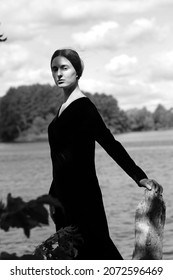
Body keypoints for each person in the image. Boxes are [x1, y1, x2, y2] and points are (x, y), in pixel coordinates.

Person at [48, 48, 159, 260]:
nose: (59, 74)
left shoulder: (84, 107)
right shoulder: (62, 109)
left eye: (64, 68)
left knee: (97, 250)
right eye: (54, 69)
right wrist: (52, 196)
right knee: (71, 259)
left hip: (83, 195)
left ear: (77, 72)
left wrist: (139, 176)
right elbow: (59, 161)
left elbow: (110, 143)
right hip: (62, 199)